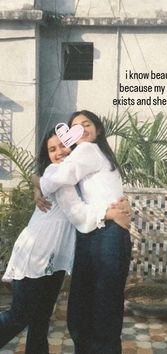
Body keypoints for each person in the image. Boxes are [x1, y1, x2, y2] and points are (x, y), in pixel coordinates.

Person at [0, 128, 130, 354]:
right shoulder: (58, 173)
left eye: (62, 145)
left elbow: (93, 191)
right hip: (37, 253)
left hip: (55, 259)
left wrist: (35, 183)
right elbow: (77, 212)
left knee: (41, 318)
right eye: (52, 149)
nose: (59, 152)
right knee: (19, 316)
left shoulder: (75, 172)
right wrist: (109, 214)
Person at [33, 110, 132, 354]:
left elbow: (61, 176)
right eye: (75, 127)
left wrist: (41, 184)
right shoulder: (95, 155)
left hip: (105, 235)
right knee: (96, 309)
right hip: (101, 234)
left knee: (97, 310)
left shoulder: (88, 150)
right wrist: (37, 185)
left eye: (86, 124)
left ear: (98, 128)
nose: (82, 129)